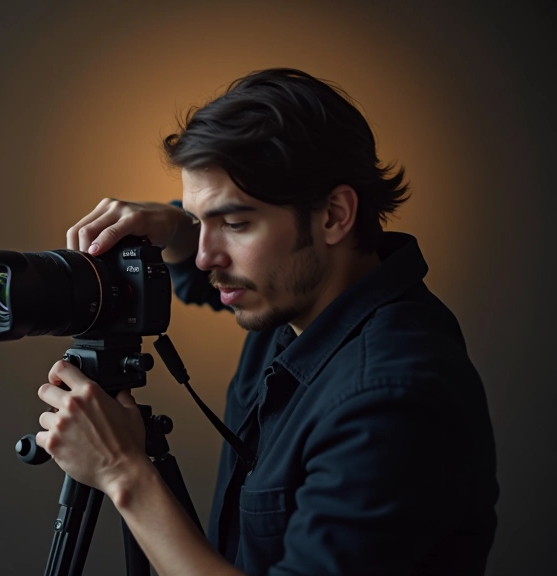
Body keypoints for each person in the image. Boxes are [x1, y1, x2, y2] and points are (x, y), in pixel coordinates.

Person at [34, 68, 499, 575]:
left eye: (235, 224)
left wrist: (123, 474)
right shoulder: (302, 302)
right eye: (200, 221)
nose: (207, 256)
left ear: (334, 215)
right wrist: (175, 223)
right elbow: (205, 259)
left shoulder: (389, 400)